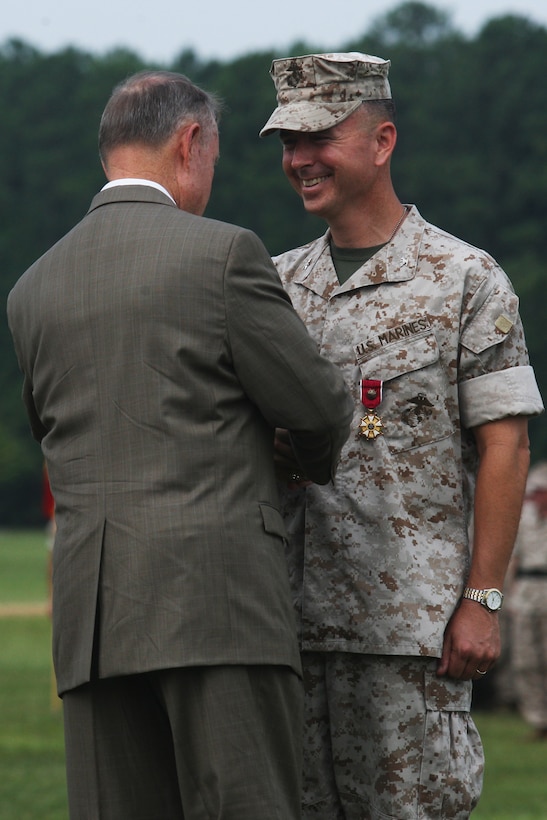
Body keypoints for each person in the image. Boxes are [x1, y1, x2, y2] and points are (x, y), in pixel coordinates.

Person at [7, 70, 354, 820]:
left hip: (93, 625)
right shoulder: (222, 254)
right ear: (190, 142)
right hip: (217, 604)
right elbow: (320, 408)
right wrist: (293, 466)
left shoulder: (32, 288)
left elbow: (52, 433)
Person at [260, 52, 544, 818]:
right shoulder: (274, 285)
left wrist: (481, 600)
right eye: (286, 142)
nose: (298, 159)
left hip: (410, 639)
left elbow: (505, 446)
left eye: (318, 137)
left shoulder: (463, 279)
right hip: (290, 629)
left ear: (381, 141)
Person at [508, 461, 547, 740]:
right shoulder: (525, 516)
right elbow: (515, 552)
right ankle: (539, 721)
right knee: (526, 659)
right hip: (526, 587)